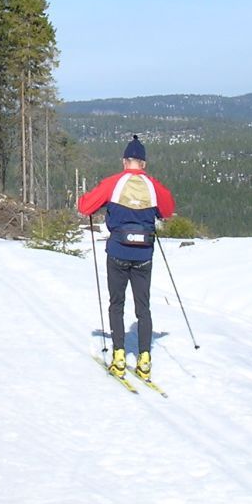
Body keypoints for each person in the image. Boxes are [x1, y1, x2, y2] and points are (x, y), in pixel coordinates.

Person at [77, 135, 176, 381]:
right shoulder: (154, 186)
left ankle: (118, 356)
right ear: (143, 163)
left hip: (118, 252)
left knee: (116, 304)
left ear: (124, 161)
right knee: (143, 307)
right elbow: (168, 210)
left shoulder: (113, 183)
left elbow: (85, 207)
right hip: (144, 255)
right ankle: (145, 359)